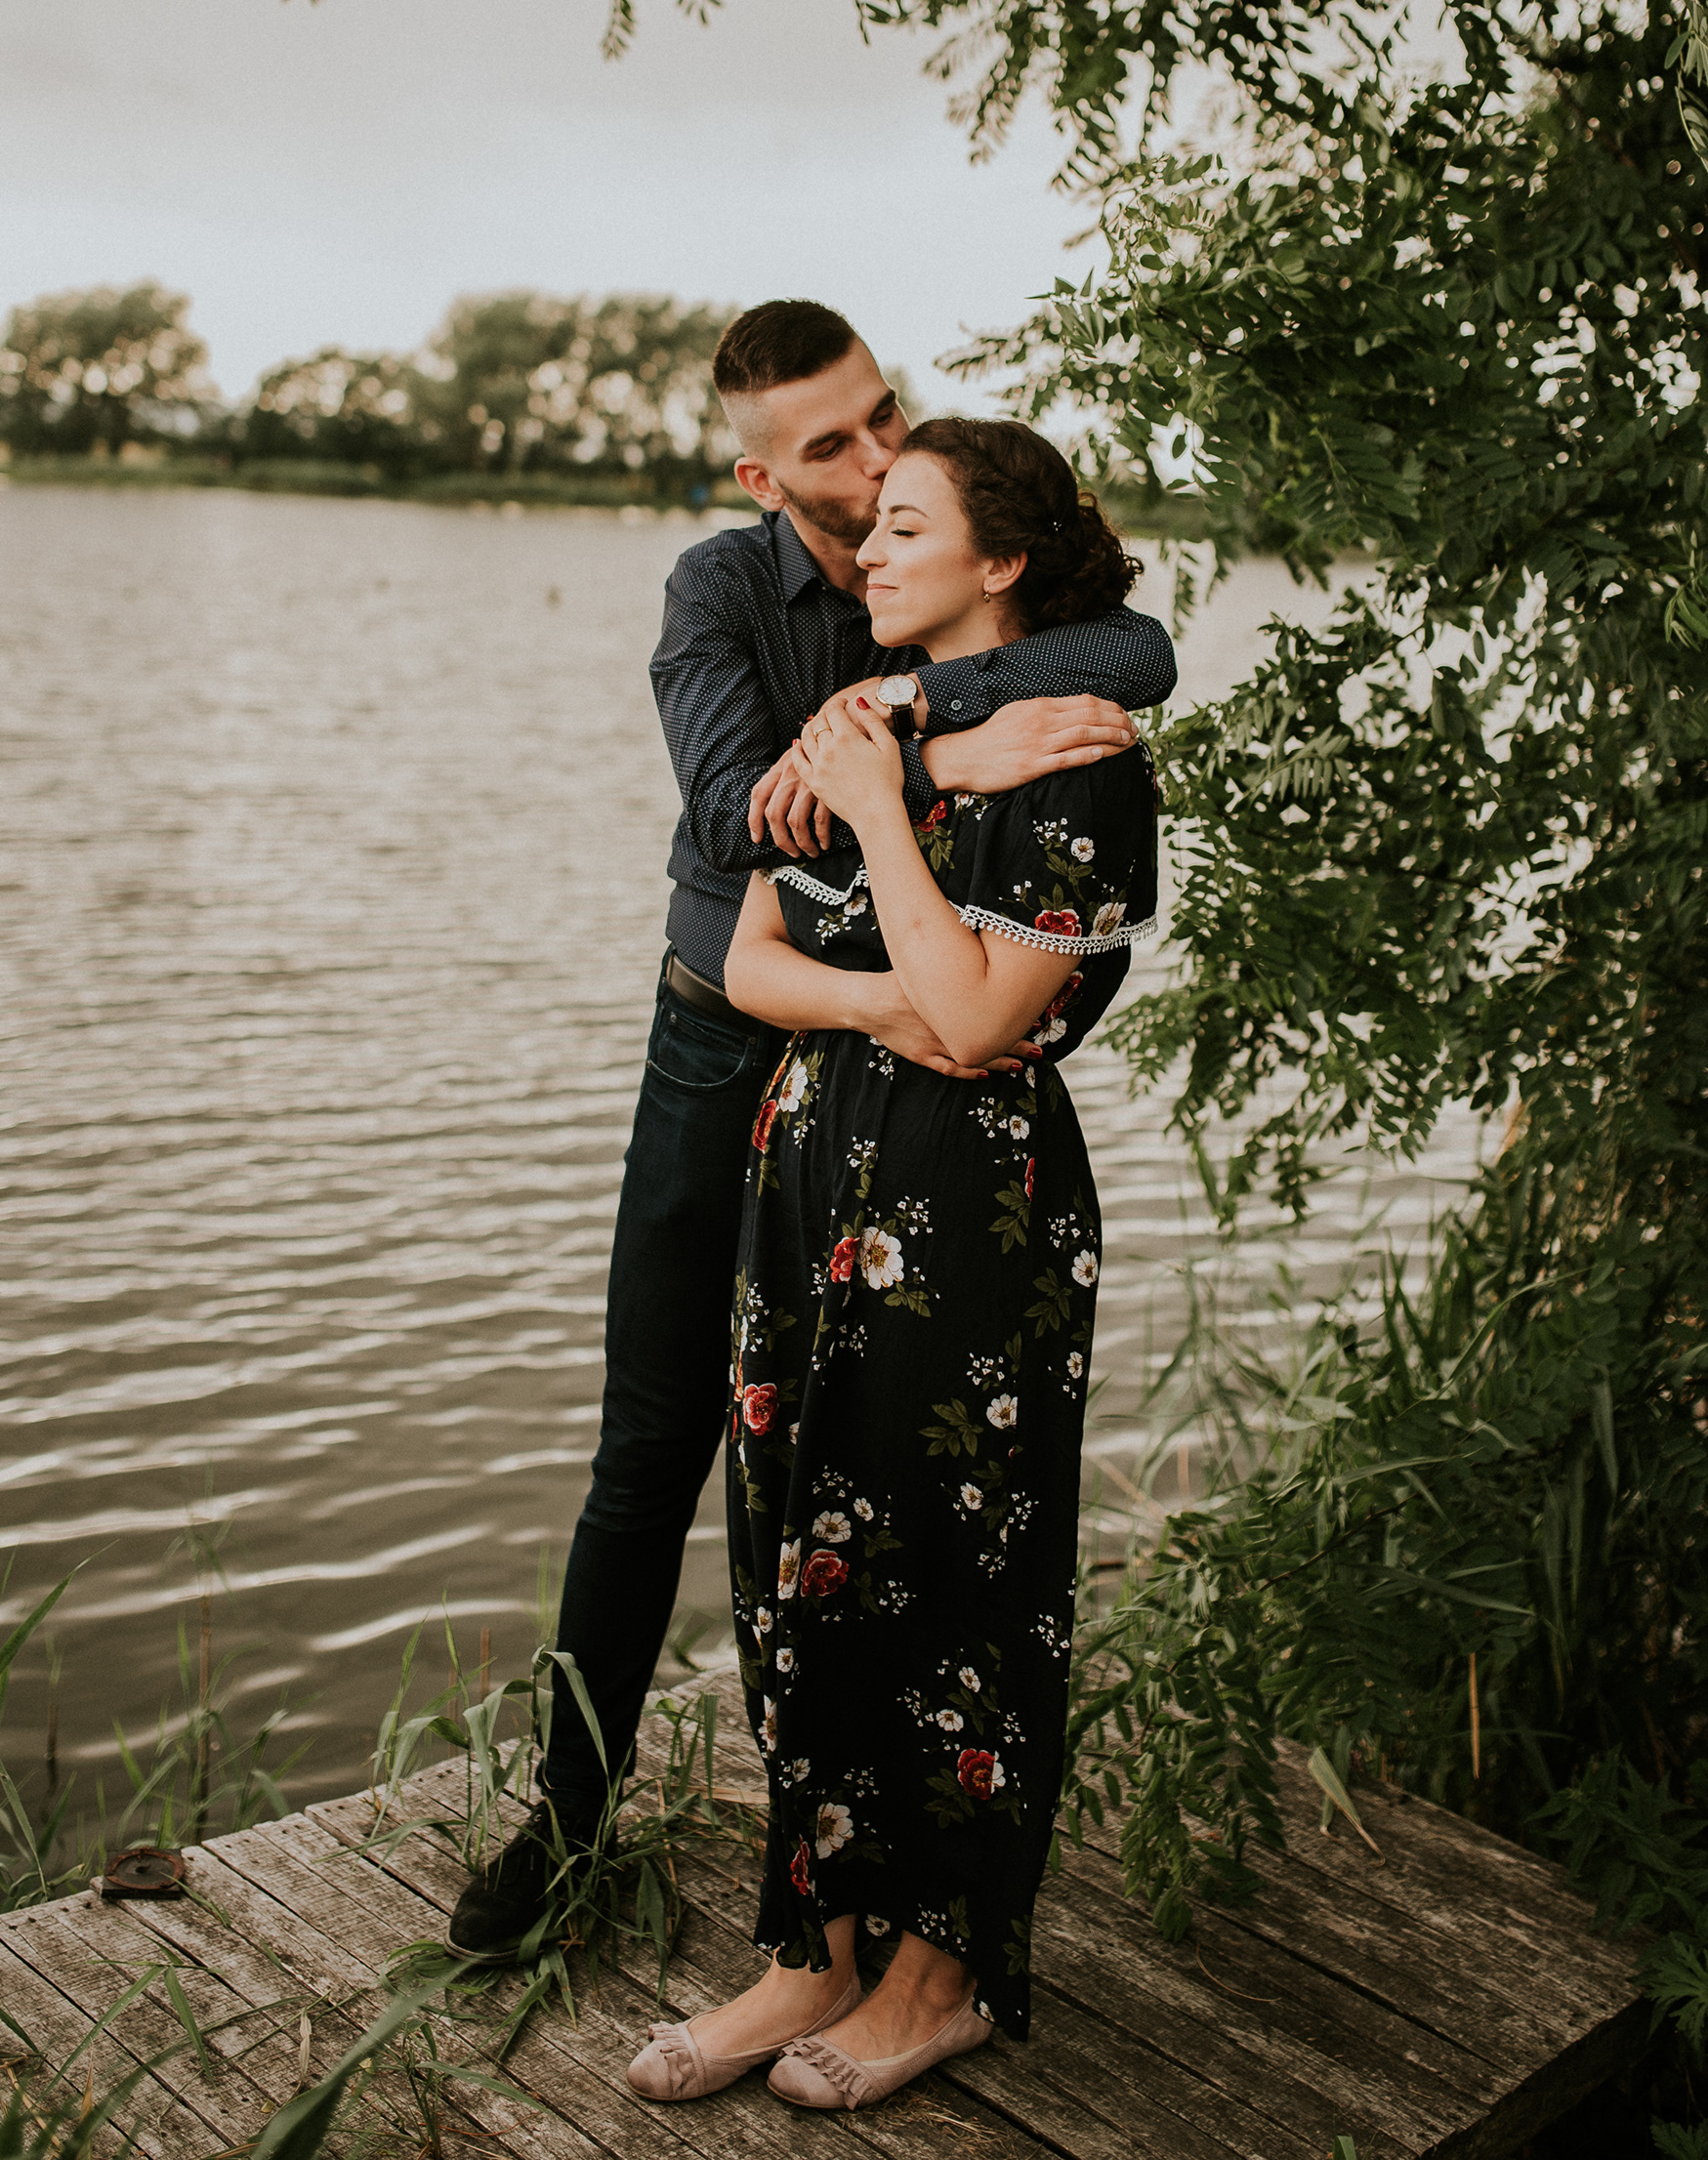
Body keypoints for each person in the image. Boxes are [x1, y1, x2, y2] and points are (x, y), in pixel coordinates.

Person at [447, 305, 1175, 1959]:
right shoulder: (719, 592)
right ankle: (567, 1820)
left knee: (853, 1462)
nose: (873, 462)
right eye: (832, 447)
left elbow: (1136, 656)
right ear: (761, 475)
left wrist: (911, 706)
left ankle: (849, 1875)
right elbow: (733, 817)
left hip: (917, 1085)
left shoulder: (938, 559)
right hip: (734, 1038)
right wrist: (950, 749)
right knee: (654, 1442)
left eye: (882, 419)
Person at [621, 418, 1158, 2108]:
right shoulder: (870, 726)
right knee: (799, 1565)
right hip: (810, 1185)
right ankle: (815, 1948)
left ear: (1001, 562)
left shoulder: (1080, 754)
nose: (869, 551)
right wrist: (877, 986)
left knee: (954, 1584)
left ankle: (941, 1974)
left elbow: (989, 1017)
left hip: (969, 1216)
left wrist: (880, 818)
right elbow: (750, 957)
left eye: (907, 525)